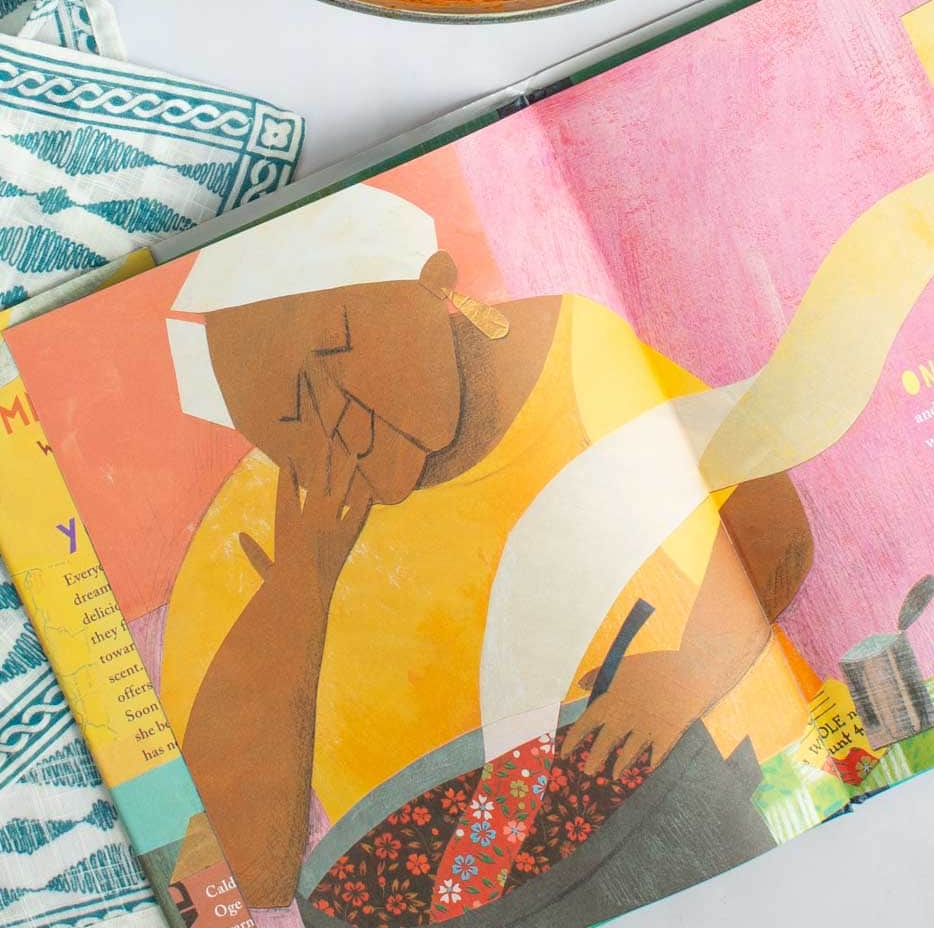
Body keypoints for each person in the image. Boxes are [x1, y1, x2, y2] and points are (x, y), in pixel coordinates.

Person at [160, 187, 815, 922]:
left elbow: (769, 519)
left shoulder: (570, 351)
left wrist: (679, 677)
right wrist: (300, 586)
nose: (334, 419)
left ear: (436, 284)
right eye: (284, 405)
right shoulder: (253, 525)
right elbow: (247, 867)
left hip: (684, 842)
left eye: (338, 347)